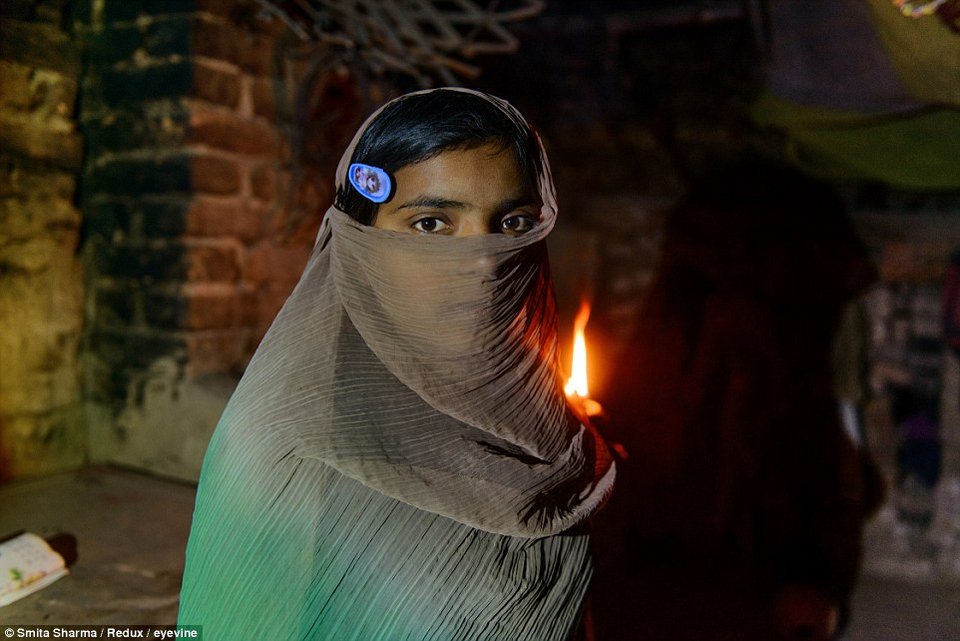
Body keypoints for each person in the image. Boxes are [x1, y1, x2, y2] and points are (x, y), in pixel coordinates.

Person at [177, 88, 615, 641]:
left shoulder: (538, 422)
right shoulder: (289, 445)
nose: (482, 261)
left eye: (512, 223)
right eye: (430, 224)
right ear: (359, 239)